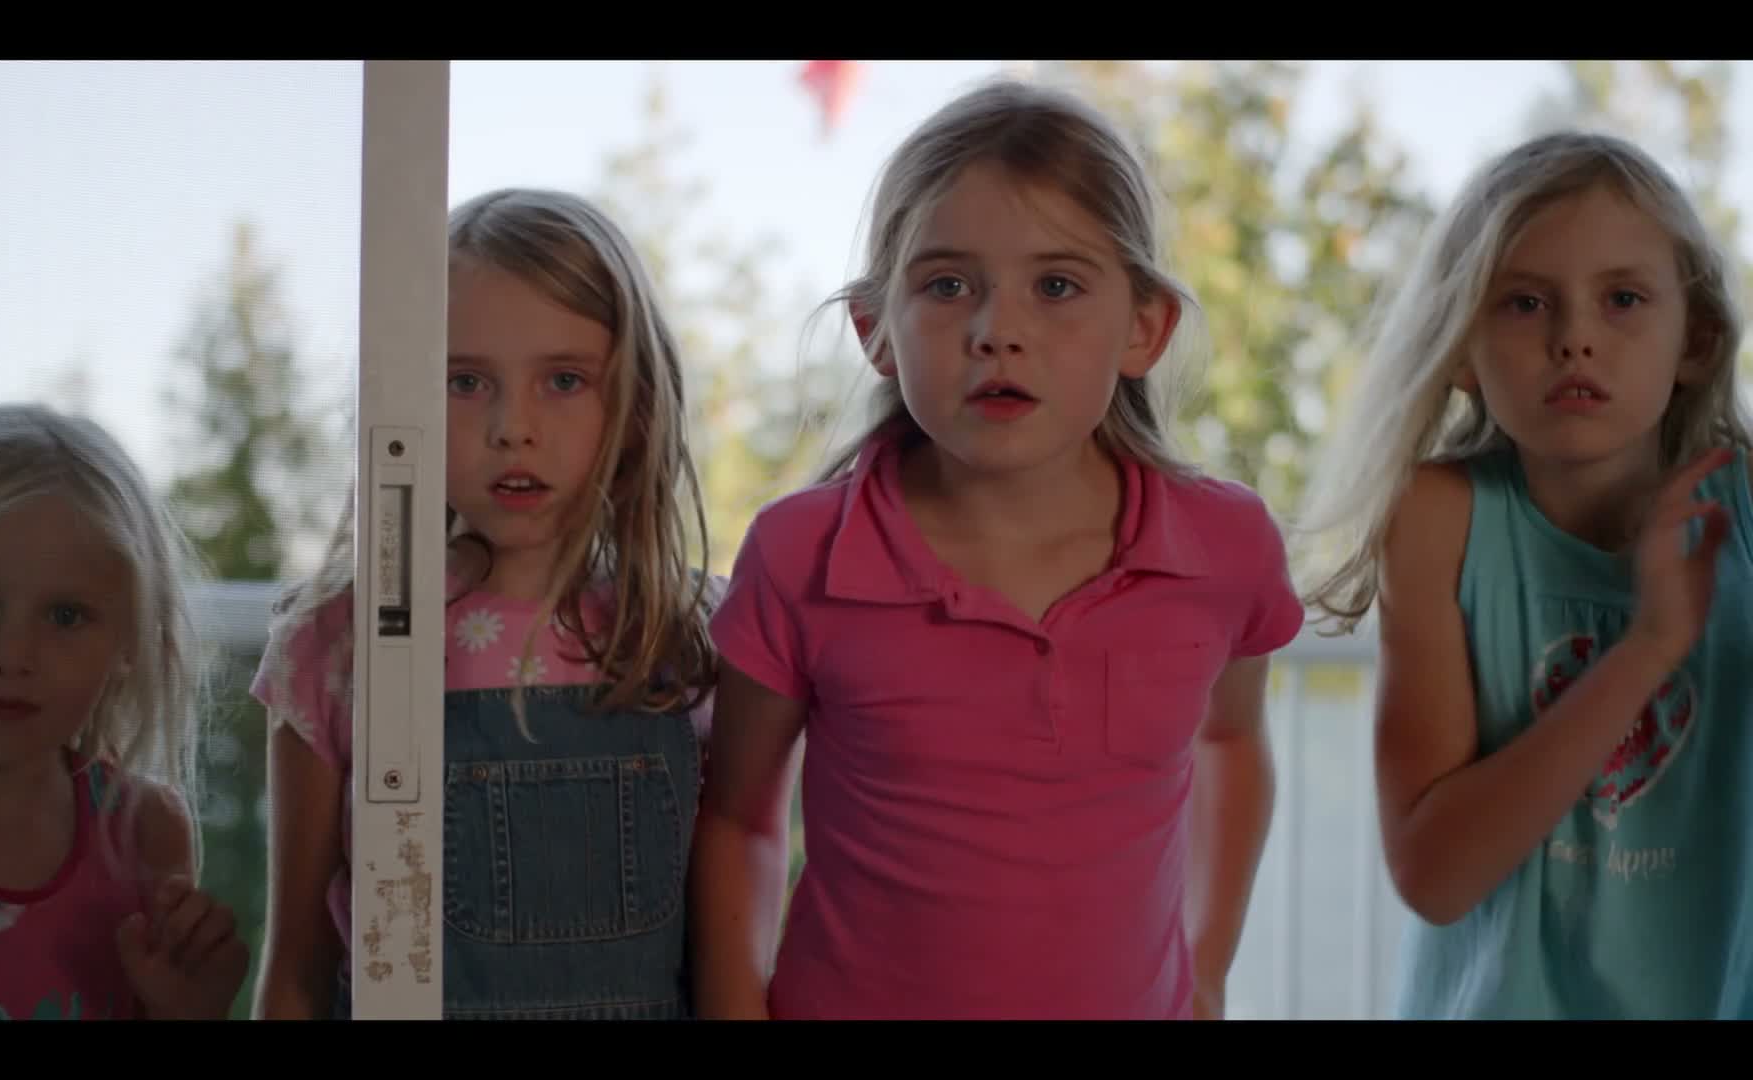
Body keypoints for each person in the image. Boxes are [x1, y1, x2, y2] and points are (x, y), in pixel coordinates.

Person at [689, 78, 1304, 1021]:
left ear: (1145, 326)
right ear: (875, 332)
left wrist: (1208, 967)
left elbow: (1230, 742)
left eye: (1056, 286)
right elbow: (738, 819)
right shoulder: (797, 553)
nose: (998, 332)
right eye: (947, 286)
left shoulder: (1226, 548)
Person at [1297, 129, 1753, 1019]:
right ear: (1461, 349)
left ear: (1695, 341)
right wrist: (1648, 648)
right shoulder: (1439, 519)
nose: (1575, 338)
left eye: (1623, 299)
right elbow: (1436, 879)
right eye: (1524, 303)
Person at [252, 188, 723, 1020]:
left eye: (564, 380)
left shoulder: (691, 635)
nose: (513, 427)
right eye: (465, 381)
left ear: (638, 408)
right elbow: (295, 969)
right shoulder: (337, 643)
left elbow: (733, 951)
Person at [0, 402, 248, 1020]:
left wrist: (189, 1012)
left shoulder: (142, 828)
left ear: (130, 641)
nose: (12, 656)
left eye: (65, 616)